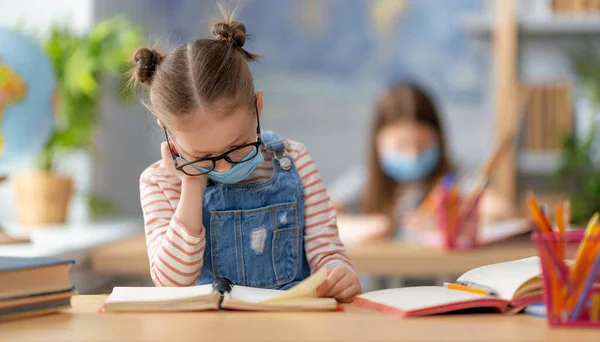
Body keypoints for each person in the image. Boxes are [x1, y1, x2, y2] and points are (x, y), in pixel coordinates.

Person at [134, 9, 360, 303]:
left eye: (238, 146)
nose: (226, 165)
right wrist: (192, 184)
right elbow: (172, 283)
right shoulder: (159, 183)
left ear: (258, 106)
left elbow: (327, 250)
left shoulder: (295, 160)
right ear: (170, 135)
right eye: (204, 156)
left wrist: (338, 273)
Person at [331, 82, 517, 244]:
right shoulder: (364, 180)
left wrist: (450, 216)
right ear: (377, 143)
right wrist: (365, 227)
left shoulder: (457, 176)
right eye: (401, 145)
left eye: (422, 144)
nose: (413, 155)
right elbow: (317, 215)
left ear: (439, 140)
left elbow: (502, 210)